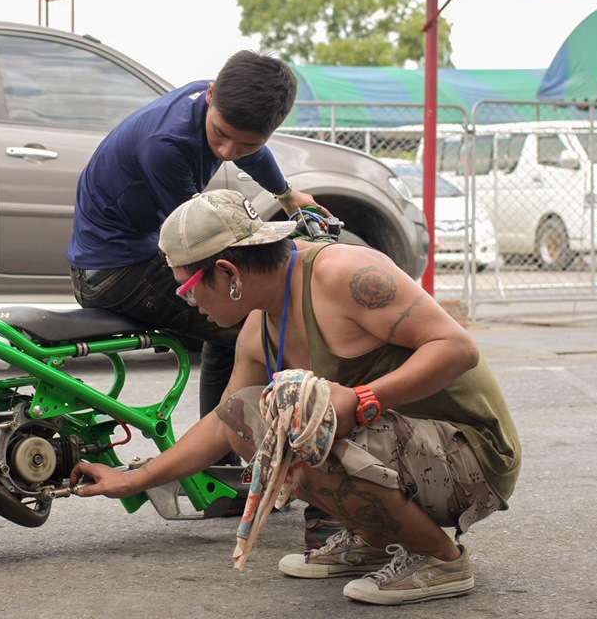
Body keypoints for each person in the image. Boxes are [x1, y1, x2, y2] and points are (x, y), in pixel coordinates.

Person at [71, 189, 521, 606]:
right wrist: (133, 479)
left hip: (473, 456)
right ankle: (375, 538)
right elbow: (225, 423)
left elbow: (457, 348)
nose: (188, 304)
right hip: (408, 449)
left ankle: (441, 558)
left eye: (186, 290)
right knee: (250, 418)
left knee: (297, 432)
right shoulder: (260, 322)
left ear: (227, 273)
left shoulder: (342, 273)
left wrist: (364, 398)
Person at [67, 50, 324, 421]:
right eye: (221, 135)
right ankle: (224, 450)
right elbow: (205, 236)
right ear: (210, 94)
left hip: (130, 254)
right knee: (254, 325)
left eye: (246, 144)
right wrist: (288, 249)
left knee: (233, 321)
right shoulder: (165, 147)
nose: (227, 151)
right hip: (114, 272)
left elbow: (246, 152)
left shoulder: (212, 106)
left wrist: (286, 194)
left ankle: (218, 457)